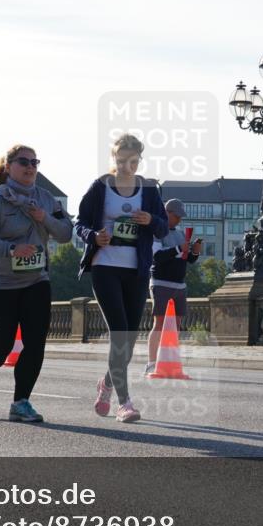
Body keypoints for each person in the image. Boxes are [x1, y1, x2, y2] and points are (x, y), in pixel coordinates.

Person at [0, 144, 72, 422]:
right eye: (23, 161)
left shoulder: (47, 199)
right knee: (1, 348)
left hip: (36, 280)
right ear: (8, 166)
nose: (30, 167)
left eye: (34, 162)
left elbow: (65, 234)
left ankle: (21, 402)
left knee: (35, 343)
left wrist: (44, 218)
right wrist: (11, 249)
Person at [75, 133, 168, 423]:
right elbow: (79, 223)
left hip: (137, 270)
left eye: (134, 161)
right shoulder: (100, 187)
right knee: (120, 335)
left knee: (128, 340)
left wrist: (150, 221)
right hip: (106, 267)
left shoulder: (150, 190)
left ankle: (106, 383)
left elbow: (164, 229)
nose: (128, 166)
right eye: (122, 160)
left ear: (139, 159)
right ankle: (124, 402)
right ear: (114, 159)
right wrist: (94, 236)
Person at [146, 199, 201, 374]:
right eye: (176, 216)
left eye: (180, 217)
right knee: (160, 323)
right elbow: (156, 256)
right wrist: (179, 249)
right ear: (167, 213)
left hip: (179, 284)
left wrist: (195, 251)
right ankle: (152, 362)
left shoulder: (179, 234)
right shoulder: (157, 232)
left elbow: (188, 259)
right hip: (161, 282)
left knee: (175, 325)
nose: (178, 220)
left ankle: (168, 361)